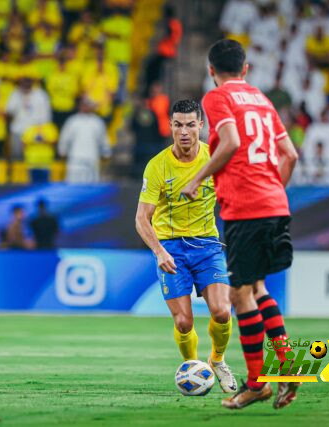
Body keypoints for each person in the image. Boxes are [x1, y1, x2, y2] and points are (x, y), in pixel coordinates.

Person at [182, 39, 299, 410]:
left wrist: (198, 177)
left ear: (211, 70)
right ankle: (287, 366)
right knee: (259, 288)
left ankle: (256, 384)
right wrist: (272, 192)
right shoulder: (263, 100)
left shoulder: (217, 97)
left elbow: (230, 141)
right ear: (245, 69)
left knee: (239, 296)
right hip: (275, 204)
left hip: (246, 208)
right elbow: (290, 155)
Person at [135, 99, 237, 395]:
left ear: (201, 126)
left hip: (207, 245)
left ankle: (217, 360)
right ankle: (193, 369)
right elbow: (142, 218)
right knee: (183, 321)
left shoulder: (214, 159)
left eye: (190, 124)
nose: (184, 131)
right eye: (178, 124)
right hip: (171, 248)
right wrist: (159, 251)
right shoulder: (157, 166)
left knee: (221, 311)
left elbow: (232, 199)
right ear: (170, 126)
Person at [58, 97, 111, 183]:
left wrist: (106, 152)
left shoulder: (97, 122)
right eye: (83, 105)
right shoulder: (72, 121)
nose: (85, 107)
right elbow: (65, 138)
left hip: (92, 158)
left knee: (91, 185)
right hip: (75, 159)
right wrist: (62, 151)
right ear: (79, 106)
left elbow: (103, 140)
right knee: (73, 184)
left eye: (87, 105)